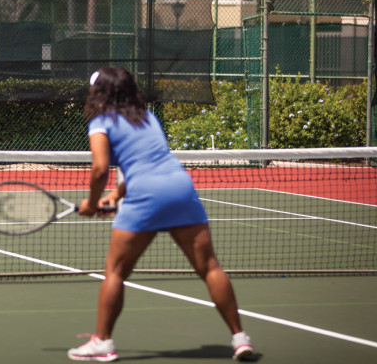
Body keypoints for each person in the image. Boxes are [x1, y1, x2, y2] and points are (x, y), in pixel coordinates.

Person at [67, 66, 255, 362]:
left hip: (145, 196)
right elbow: (151, 162)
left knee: (115, 272)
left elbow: (100, 169)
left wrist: (91, 204)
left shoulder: (100, 122)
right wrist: (116, 195)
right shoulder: (147, 118)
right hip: (180, 187)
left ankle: (101, 342)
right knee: (209, 267)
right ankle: (240, 339)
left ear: (100, 92)